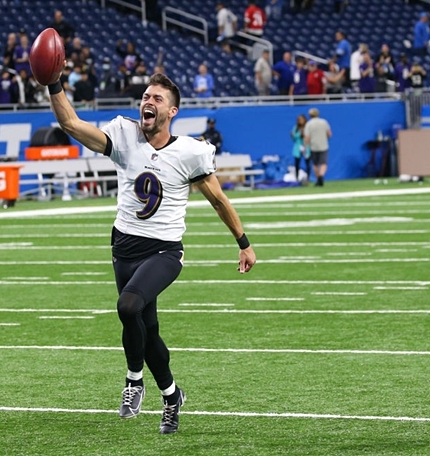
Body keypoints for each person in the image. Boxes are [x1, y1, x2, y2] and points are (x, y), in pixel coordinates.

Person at [45, 70, 256, 434]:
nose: (148, 101)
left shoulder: (189, 152)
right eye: (146, 96)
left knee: (128, 306)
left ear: (172, 111)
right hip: (124, 246)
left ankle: (133, 380)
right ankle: (172, 397)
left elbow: (219, 201)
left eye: (157, 98)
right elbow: (71, 124)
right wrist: (53, 83)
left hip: (164, 251)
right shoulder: (124, 136)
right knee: (148, 329)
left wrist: (244, 243)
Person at [303, 108, 332, 186]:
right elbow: (329, 134)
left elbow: (307, 137)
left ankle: (318, 178)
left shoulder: (309, 124)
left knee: (315, 164)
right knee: (324, 163)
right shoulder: (324, 122)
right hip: (323, 145)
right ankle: (321, 176)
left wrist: (305, 147)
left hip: (313, 146)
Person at [290, 114, 310, 184]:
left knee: (307, 163)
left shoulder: (308, 127)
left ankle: (307, 179)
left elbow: (309, 136)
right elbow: (294, 138)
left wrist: (304, 135)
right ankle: (297, 178)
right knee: (297, 163)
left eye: (301, 119)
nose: (300, 121)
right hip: (298, 147)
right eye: (299, 120)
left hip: (306, 147)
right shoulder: (295, 128)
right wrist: (293, 135)